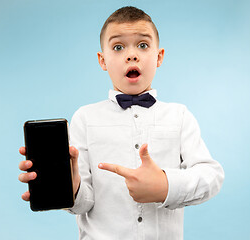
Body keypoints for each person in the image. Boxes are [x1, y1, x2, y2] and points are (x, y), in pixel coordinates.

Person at [18, 6, 224, 240]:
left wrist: (165, 185)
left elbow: (211, 176)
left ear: (159, 57)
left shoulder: (180, 115)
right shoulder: (84, 119)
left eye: (143, 45)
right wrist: (72, 187)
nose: (132, 55)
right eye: (118, 47)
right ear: (102, 60)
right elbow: (84, 202)